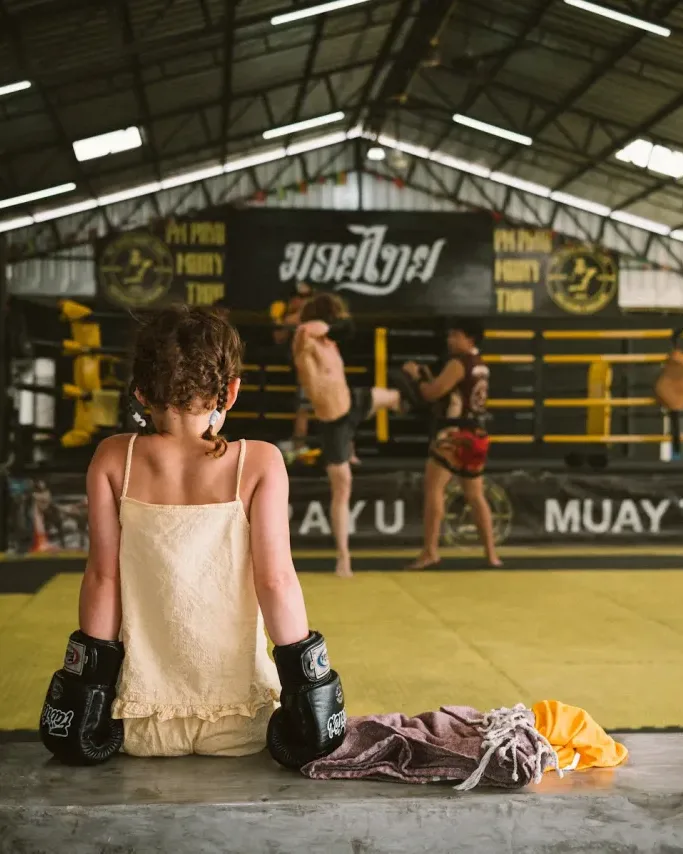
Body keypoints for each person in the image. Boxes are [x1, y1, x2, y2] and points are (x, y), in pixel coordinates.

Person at [39, 304, 346, 768]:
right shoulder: (259, 462)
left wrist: (85, 691)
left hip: (140, 722)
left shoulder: (113, 458)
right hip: (241, 722)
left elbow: (103, 579)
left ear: (140, 391)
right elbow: (276, 581)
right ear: (232, 390)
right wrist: (312, 691)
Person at [293, 292, 402, 578]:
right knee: (342, 488)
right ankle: (343, 557)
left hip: (352, 403)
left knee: (397, 396)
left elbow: (345, 328)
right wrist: (327, 324)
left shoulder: (330, 343)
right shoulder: (305, 338)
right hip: (334, 422)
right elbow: (320, 329)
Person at [404, 318, 502, 569]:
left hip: (455, 434)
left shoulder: (459, 363)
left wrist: (416, 378)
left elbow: (432, 393)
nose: (450, 340)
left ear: (469, 338)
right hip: (477, 434)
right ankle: (492, 554)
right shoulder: (481, 365)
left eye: (455, 335)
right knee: (476, 495)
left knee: (434, 489)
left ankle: (430, 551)